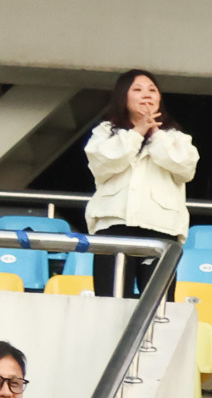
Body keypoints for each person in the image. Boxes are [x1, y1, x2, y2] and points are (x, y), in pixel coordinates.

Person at [81, 70, 199, 297]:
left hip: (161, 227)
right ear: (123, 96)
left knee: (160, 303)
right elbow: (104, 163)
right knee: (111, 301)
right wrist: (137, 132)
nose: (146, 95)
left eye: (152, 90)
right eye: (137, 89)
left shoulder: (175, 137)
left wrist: (154, 133)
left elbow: (185, 168)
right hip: (114, 225)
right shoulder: (105, 132)